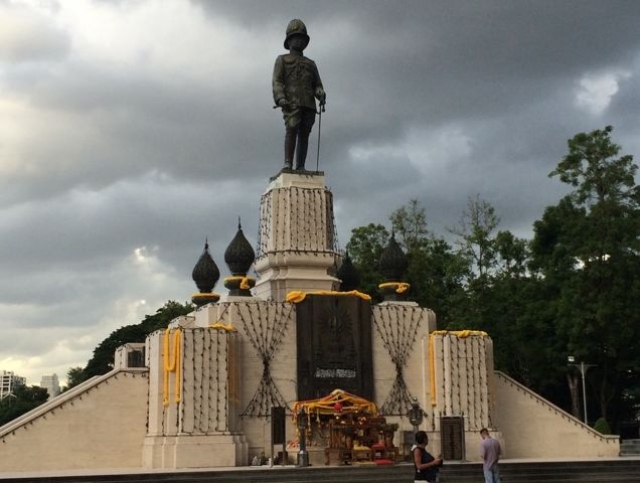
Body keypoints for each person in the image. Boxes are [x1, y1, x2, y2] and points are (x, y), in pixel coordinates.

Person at [273, 19, 326, 171]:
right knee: (291, 128)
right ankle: (288, 163)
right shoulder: (282, 60)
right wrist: (280, 98)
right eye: (295, 38)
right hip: (291, 102)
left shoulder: (311, 63)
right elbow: (277, 81)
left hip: (308, 104)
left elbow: (317, 84)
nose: (298, 41)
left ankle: (301, 166)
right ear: (288, 41)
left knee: (304, 133)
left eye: (301, 38)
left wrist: (320, 93)